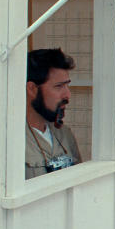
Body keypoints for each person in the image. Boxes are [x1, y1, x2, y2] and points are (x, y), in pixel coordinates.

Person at [25, 48, 83, 179]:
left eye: (67, 86)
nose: (67, 95)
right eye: (59, 86)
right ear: (32, 89)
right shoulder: (10, 141)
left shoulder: (65, 134)